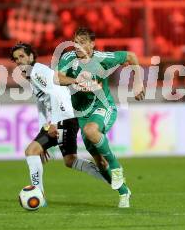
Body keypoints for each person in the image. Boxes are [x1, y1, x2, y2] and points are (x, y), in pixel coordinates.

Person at [10, 43, 111, 206]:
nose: (19, 61)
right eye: (16, 59)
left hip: (64, 117)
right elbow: (42, 105)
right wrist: (42, 130)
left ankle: (39, 195)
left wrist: (55, 124)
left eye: (22, 56)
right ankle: (109, 178)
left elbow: (57, 92)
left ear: (30, 56)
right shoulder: (32, 77)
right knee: (70, 160)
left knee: (31, 151)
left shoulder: (37, 71)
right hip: (67, 117)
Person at [58, 27, 145, 208]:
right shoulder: (67, 58)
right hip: (81, 114)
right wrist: (75, 81)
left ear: (92, 44)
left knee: (92, 131)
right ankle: (123, 192)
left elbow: (131, 56)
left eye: (82, 42)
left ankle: (116, 167)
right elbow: (58, 78)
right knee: (99, 162)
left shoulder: (101, 58)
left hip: (103, 107)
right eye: (76, 42)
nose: (78, 46)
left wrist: (137, 82)